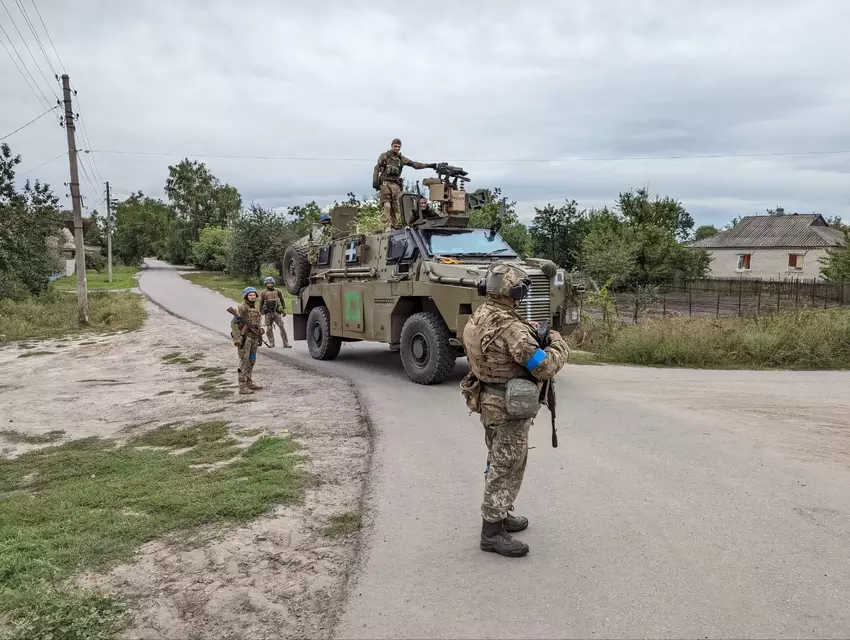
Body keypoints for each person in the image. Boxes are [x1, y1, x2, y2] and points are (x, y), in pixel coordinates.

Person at [461, 262, 571, 558]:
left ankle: (500, 514)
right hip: (507, 409)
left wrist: (527, 331)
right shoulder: (510, 328)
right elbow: (543, 366)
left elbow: (500, 345)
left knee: (497, 458)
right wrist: (559, 345)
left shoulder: (481, 314)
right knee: (506, 465)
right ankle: (491, 533)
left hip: (489, 400)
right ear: (515, 292)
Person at [372, 138, 436, 230]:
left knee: (395, 207)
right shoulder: (384, 156)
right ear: (392, 146)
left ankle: (393, 226)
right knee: (386, 205)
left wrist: (429, 165)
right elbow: (377, 168)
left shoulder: (401, 159)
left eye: (399, 147)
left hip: (395, 185)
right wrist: (375, 182)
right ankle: (387, 227)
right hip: (385, 183)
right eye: (395, 146)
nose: (397, 148)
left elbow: (415, 164)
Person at [230, 286, 265, 395]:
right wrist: (237, 338)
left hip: (254, 338)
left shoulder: (255, 308)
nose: (252, 297)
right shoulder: (242, 307)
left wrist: (260, 332)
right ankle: (242, 386)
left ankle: (249, 382)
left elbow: (257, 323)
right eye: (250, 295)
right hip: (245, 339)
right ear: (246, 296)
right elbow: (234, 323)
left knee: (252, 360)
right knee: (244, 362)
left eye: (254, 295)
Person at [260, 276, 291, 348]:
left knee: (281, 326)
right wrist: (260, 311)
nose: (270, 284)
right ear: (266, 284)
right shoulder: (264, 292)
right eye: (268, 283)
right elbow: (261, 302)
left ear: (273, 283)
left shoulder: (278, 291)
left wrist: (284, 309)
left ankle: (285, 342)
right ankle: (271, 342)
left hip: (276, 311)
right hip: (268, 312)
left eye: (271, 283)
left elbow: (282, 300)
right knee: (269, 328)